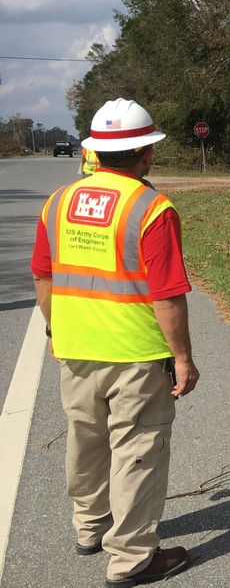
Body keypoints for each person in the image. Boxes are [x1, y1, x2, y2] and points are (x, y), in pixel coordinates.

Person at [31, 98, 199, 587]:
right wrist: (183, 358)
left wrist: (54, 328)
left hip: (75, 349)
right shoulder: (151, 208)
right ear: (146, 152)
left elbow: (43, 276)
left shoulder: (58, 201)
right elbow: (167, 296)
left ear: (94, 153)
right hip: (137, 355)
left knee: (86, 440)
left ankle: (90, 527)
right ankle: (132, 558)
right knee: (137, 449)